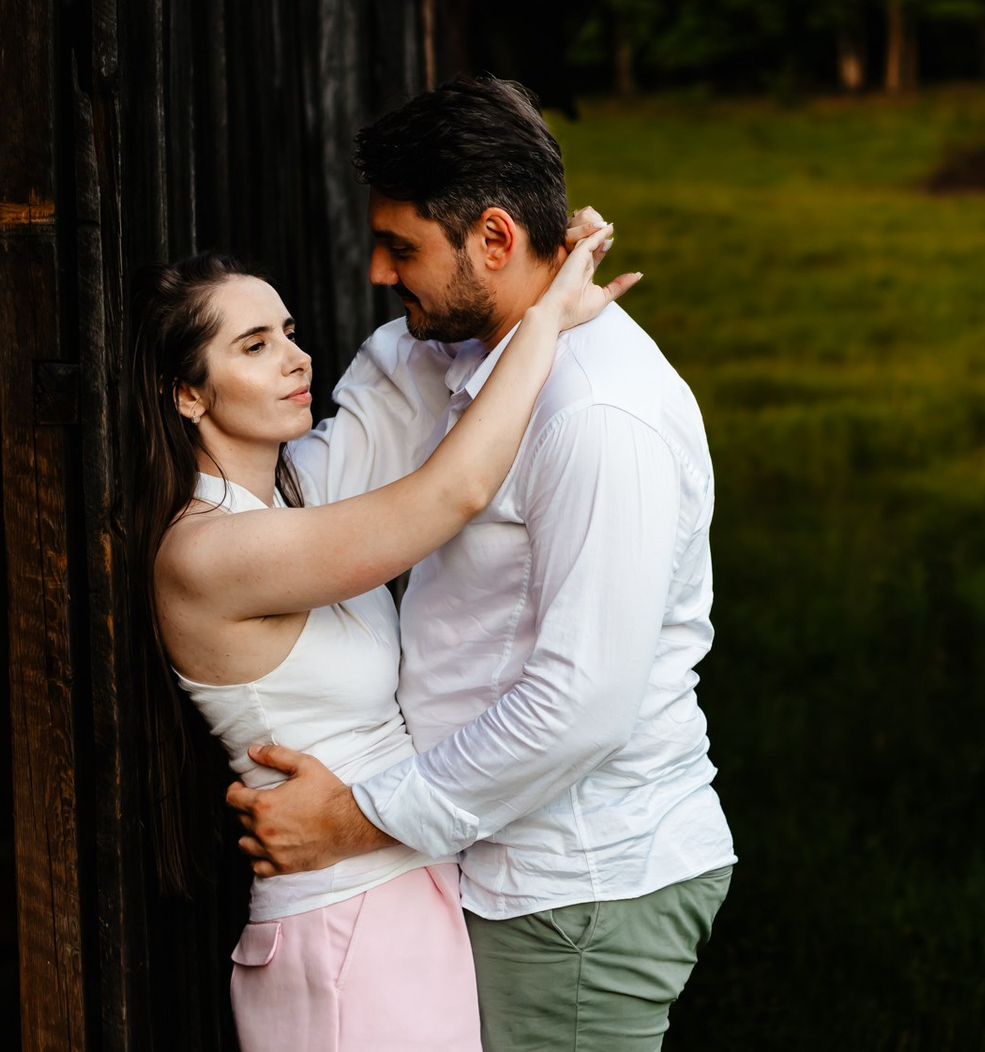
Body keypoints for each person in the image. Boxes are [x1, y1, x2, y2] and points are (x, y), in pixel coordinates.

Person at [228, 75, 737, 1051]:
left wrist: (355, 820)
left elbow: (581, 704)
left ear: (495, 239)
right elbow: (301, 501)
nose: (378, 269)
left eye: (403, 247)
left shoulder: (597, 416)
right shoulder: (453, 354)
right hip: (495, 861)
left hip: (574, 883)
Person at [126, 216, 633, 1052]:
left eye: (289, 332)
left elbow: (399, 383)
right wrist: (547, 319)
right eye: (254, 345)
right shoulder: (204, 552)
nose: (296, 358)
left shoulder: (298, 495)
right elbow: (453, 491)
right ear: (188, 394)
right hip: (339, 924)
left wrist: (524, 272)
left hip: (406, 895)